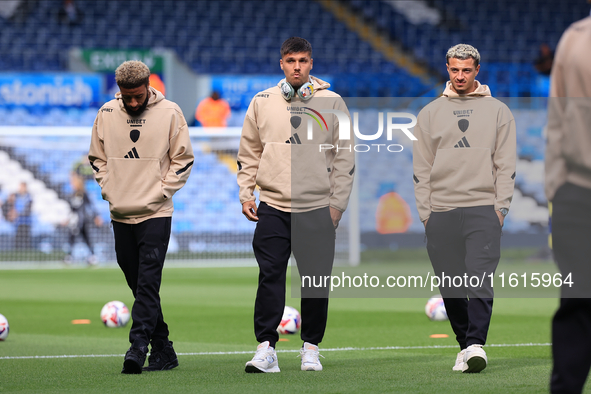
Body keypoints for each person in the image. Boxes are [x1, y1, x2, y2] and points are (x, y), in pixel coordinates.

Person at [237, 37, 355, 373]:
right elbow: (248, 152)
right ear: (282, 64)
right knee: (270, 277)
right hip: (272, 205)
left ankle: (311, 348)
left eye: (302, 60)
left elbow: (346, 157)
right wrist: (247, 193)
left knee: (315, 281)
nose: (297, 67)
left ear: (311, 63)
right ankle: (266, 349)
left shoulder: (333, 102)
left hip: (317, 208)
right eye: (291, 61)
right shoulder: (262, 101)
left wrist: (337, 206)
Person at [413, 44, 516, 373]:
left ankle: (476, 344)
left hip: (483, 209)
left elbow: (506, 164)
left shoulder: (498, 111)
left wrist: (500, 208)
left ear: (477, 71)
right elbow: (421, 168)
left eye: (466, 70)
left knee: (480, 279)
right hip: (440, 212)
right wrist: (426, 214)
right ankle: (464, 344)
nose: (460, 76)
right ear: (447, 68)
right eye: (455, 69)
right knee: (451, 285)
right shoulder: (430, 113)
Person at [88, 60, 194, 374]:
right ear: (119, 91)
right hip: (120, 212)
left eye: (138, 95)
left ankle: (138, 347)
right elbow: (97, 158)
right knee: (137, 283)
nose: (133, 102)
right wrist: (110, 189)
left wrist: (161, 192)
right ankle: (165, 350)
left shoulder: (171, 112)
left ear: (148, 86)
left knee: (148, 283)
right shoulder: (106, 114)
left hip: (156, 213)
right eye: (127, 96)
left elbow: (183, 160)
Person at [546, 13, 591, 394]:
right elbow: (557, 119)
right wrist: (558, 190)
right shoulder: (574, 39)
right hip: (579, 188)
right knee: (577, 304)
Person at [63, 173, 103, 265]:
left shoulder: (83, 194)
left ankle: (91, 256)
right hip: (75, 221)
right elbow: (71, 209)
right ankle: (71, 256)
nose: (72, 184)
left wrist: (96, 216)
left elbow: (90, 206)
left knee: (83, 238)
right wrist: (68, 219)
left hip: (82, 220)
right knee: (74, 238)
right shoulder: (72, 194)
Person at [6, 182, 33, 250]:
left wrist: (18, 213)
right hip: (17, 220)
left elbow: (28, 209)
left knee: (25, 236)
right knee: (18, 237)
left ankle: (26, 249)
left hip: (25, 220)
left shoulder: (28, 197)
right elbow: (10, 203)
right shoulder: (16, 195)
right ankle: (17, 250)